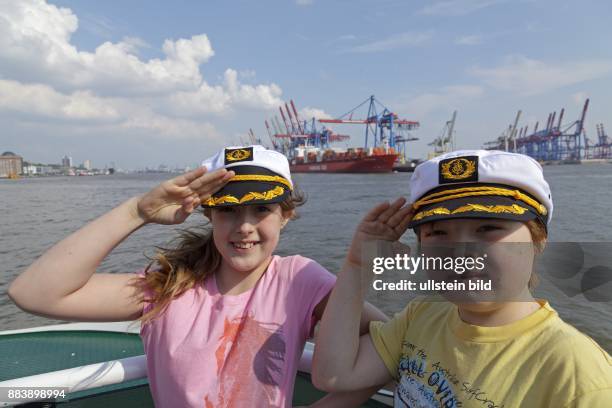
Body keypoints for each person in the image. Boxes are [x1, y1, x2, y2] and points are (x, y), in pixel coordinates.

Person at [9, 145, 387, 407]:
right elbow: (35, 294)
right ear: (208, 216)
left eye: (261, 210)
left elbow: (390, 336)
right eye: (227, 211)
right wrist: (136, 213)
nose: (244, 227)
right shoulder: (169, 285)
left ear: (286, 215)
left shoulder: (300, 280)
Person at [312, 150, 612, 407]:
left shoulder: (578, 375)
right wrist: (357, 265)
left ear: (537, 241)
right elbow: (333, 375)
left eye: (488, 228)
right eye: (438, 233)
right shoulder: (422, 315)